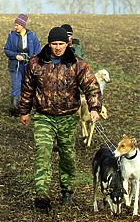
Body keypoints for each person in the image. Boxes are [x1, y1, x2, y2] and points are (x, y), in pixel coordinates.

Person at [19, 27, 102, 209]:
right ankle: (42, 193)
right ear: (49, 43)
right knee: (43, 153)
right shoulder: (36, 62)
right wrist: (24, 111)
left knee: (67, 155)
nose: (57, 48)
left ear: (67, 44)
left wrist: (94, 108)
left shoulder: (77, 63)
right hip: (43, 116)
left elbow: (91, 86)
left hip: (68, 117)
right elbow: (27, 89)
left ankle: (67, 191)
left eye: (61, 44)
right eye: (54, 44)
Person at [3, 14, 41, 115]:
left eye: (17, 25)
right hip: (15, 65)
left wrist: (32, 60)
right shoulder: (11, 36)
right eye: (15, 25)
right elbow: (7, 50)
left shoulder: (33, 37)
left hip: (28, 66)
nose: (15, 27)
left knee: (27, 86)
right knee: (16, 85)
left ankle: (26, 109)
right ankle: (14, 108)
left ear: (23, 25)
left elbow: (38, 51)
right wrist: (16, 56)